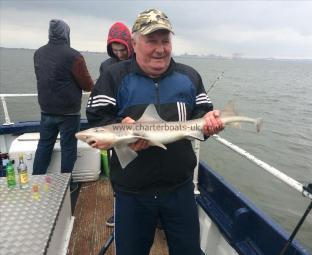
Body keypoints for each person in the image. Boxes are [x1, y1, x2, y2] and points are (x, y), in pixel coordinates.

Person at [86, 9, 223, 255]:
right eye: (151, 41)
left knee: (189, 251)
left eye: (165, 41)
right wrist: (122, 128)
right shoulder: (113, 77)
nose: (160, 49)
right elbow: (97, 118)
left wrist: (210, 123)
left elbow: (202, 116)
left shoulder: (189, 77)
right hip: (132, 192)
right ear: (134, 43)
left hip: (179, 188)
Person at [33, 19, 93, 176]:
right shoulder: (74, 56)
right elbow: (87, 85)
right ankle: (66, 183)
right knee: (68, 148)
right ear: (66, 33)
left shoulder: (38, 53)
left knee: (44, 145)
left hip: (46, 110)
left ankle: (36, 180)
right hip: (68, 113)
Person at [100, 21, 134, 228]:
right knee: (119, 173)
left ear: (131, 45)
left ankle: (157, 216)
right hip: (117, 127)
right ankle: (119, 210)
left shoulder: (140, 63)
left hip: (140, 127)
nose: (120, 54)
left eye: (123, 49)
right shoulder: (106, 67)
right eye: (116, 50)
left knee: (145, 170)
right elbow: (103, 98)